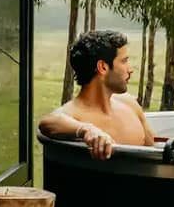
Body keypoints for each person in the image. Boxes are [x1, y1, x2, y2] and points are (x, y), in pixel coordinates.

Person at [38, 30, 156, 160]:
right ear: (102, 67)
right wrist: (86, 130)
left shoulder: (130, 104)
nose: (130, 69)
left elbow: (156, 151)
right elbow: (47, 122)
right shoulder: (74, 114)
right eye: (124, 61)